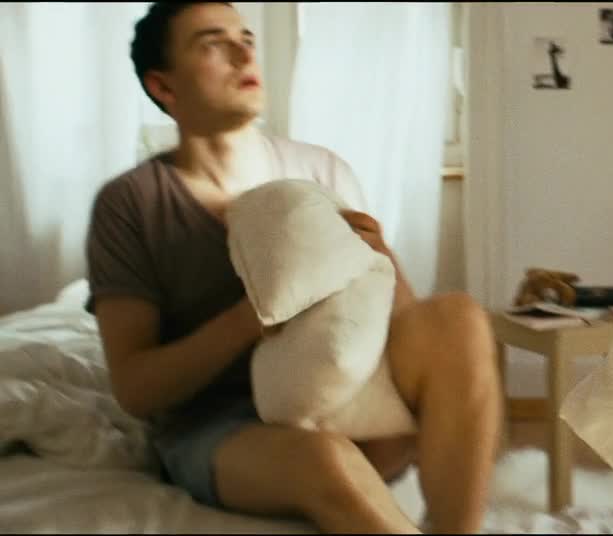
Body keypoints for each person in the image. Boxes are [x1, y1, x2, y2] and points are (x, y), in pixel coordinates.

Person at [84, 2, 502, 533]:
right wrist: (249, 319)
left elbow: (403, 324)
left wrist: (378, 264)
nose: (244, 55)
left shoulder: (320, 171)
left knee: (459, 317)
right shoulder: (131, 203)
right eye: (212, 44)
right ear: (163, 85)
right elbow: (136, 389)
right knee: (321, 457)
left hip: (346, 397)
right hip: (222, 428)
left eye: (246, 39)